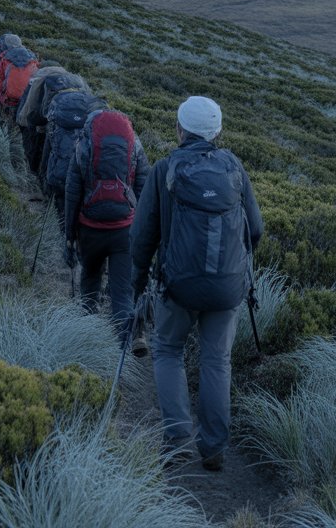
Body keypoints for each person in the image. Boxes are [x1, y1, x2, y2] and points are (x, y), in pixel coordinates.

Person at [130, 95, 263, 473]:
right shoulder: (234, 168)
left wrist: (138, 281)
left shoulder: (164, 169)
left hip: (179, 285)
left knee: (168, 350)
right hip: (227, 288)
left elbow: (141, 238)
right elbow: (255, 229)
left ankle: (177, 441)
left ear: (180, 130)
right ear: (217, 132)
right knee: (217, 360)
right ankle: (214, 447)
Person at [64, 108, 151, 336]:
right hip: (124, 230)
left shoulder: (83, 145)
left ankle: (88, 336)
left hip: (90, 229)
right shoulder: (135, 145)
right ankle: (124, 344)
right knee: (122, 293)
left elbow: (72, 193)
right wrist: (140, 229)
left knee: (90, 280)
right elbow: (143, 190)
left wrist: (69, 235)